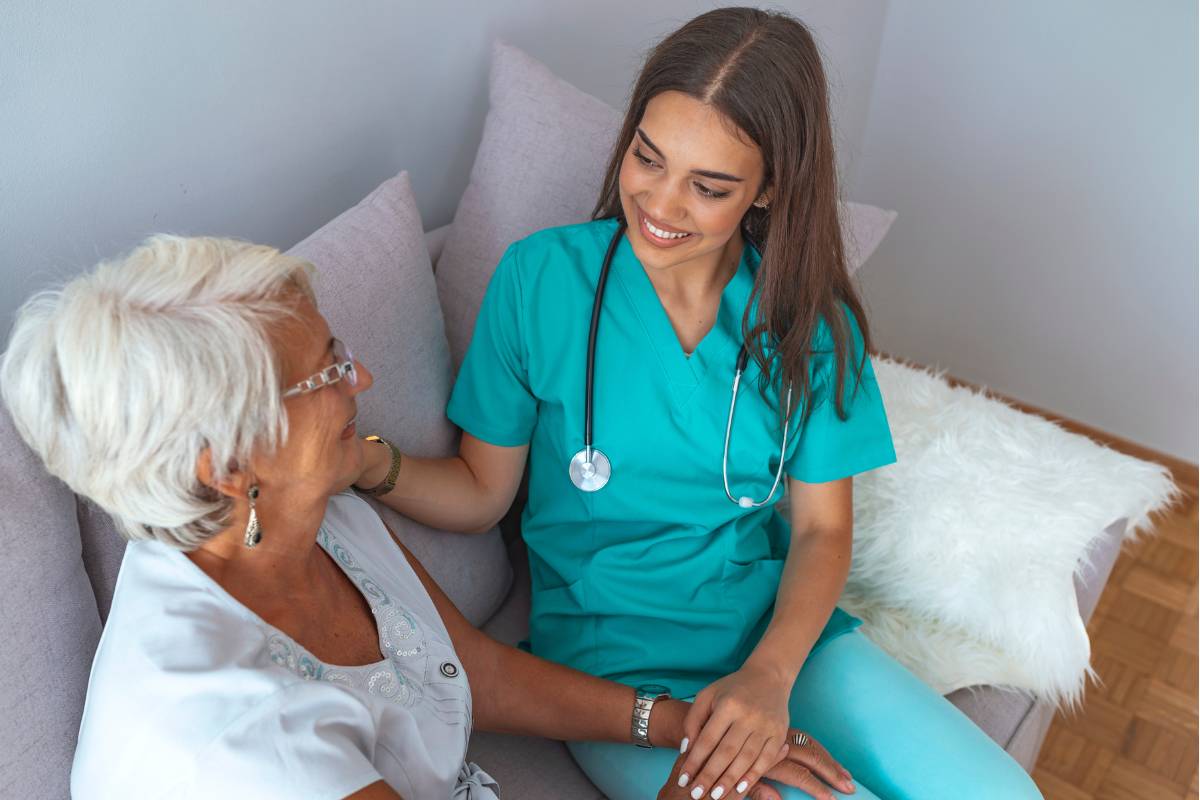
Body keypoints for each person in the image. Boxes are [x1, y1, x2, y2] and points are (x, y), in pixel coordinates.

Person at [354, 8, 1045, 800]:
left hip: (779, 640)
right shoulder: (539, 282)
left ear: (769, 187)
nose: (662, 205)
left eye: (709, 187)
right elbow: (481, 494)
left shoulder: (809, 324)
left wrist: (769, 677)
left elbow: (822, 529)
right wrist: (369, 462)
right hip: (615, 666)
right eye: (648, 158)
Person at [0, 235, 849, 798]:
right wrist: (695, 788)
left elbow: (464, 666)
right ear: (226, 464)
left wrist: (681, 726)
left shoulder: (304, 510)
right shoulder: (237, 739)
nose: (359, 379)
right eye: (325, 372)